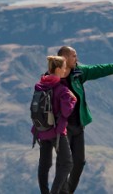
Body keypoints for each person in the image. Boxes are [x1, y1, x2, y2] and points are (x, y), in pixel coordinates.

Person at [57, 45, 113, 193]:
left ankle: (67, 192)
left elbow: (101, 69)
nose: (77, 58)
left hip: (78, 126)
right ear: (64, 58)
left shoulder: (79, 73)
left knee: (79, 162)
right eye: (74, 56)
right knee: (64, 163)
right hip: (62, 128)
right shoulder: (53, 77)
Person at [35, 55, 77, 194]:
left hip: (41, 130)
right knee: (67, 163)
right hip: (57, 132)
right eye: (64, 68)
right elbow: (66, 112)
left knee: (44, 165)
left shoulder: (40, 85)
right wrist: (73, 99)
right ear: (58, 69)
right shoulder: (62, 89)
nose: (65, 70)